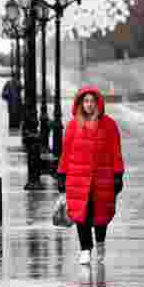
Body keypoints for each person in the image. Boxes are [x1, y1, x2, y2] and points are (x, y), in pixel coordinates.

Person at [57, 86, 125, 266]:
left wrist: (118, 174)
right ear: (80, 103)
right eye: (85, 101)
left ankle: (100, 244)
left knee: (101, 215)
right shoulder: (73, 125)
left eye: (92, 101)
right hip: (78, 178)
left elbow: (116, 152)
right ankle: (85, 249)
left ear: (98, 103)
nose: (89, 105)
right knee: (82, 215)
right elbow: (66, 153)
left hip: (102, 178)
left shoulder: (109, 125)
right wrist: (62, 175)